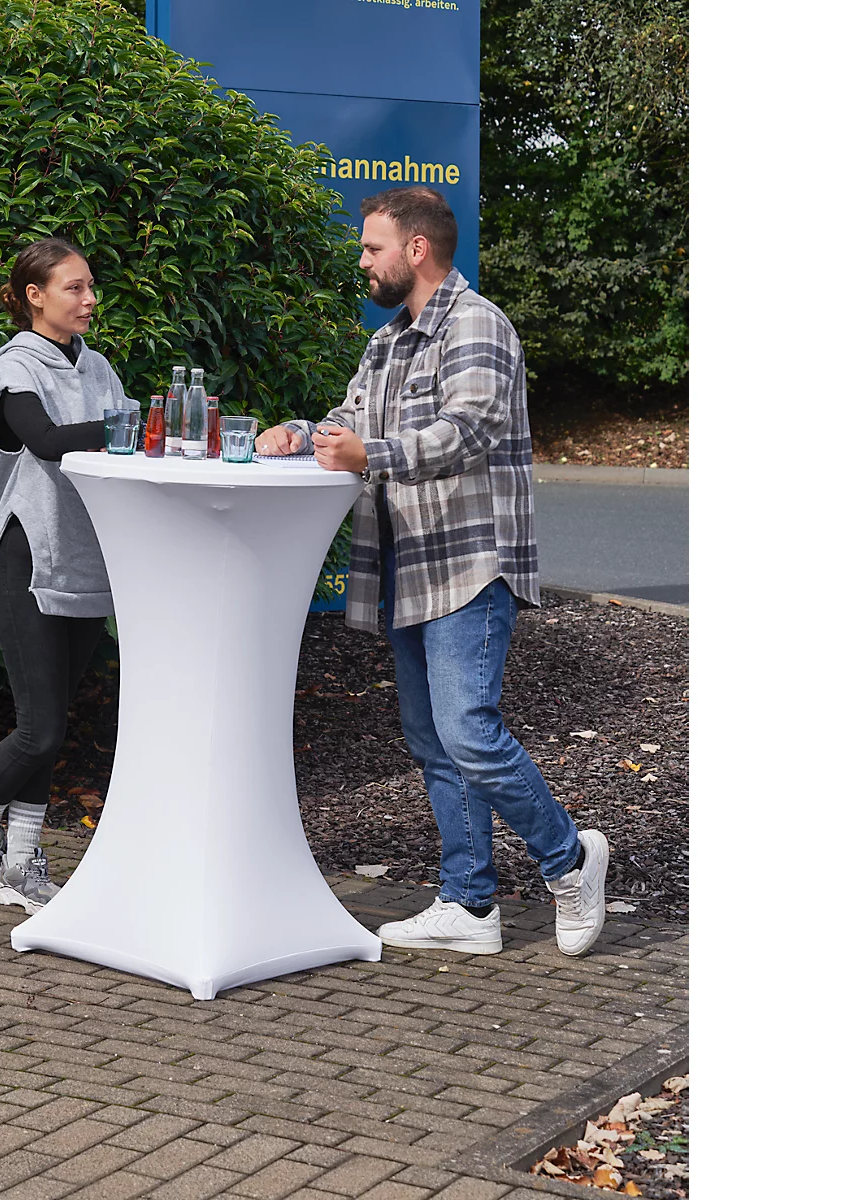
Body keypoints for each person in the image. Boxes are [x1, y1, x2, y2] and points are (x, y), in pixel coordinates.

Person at [256, 187, 609, 957]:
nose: (362, 261)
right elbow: (350, 421)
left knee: (469, 733)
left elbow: (468, 430)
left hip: (469, 564)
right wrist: (300, 433)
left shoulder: (476, 324)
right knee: (434, 742)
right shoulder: (387, 343)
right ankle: (469, 904)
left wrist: (371, 454)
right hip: (407, 568)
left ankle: (571, 859)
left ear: (416, 249)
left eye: (371, 247)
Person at [0, 237, 133, 914]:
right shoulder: (14, 367)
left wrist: (136, 429)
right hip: (30, 561)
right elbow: (45, 441)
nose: (90, 299)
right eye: (74, 288)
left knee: (52, 725)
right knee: (39, 731)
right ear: (34, 296)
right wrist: (130, 426)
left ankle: (21, 864)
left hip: (86, 563)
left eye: (90, 286)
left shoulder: (98, 366)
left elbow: (127, 442)